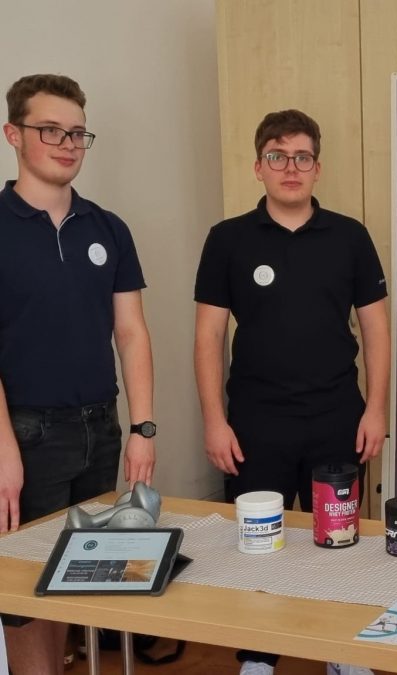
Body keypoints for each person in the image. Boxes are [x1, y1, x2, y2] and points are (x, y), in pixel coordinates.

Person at [194, 109, 389, 675]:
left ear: (317, 168)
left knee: (340, 541)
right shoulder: (227, 240)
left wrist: (375, 409)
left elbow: (376, 327)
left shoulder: (350, 237)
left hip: (337, 417)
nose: (290, 168)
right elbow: (208, 336)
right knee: (258, 545)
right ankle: (257, 656)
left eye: (302, 157)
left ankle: (340, 652)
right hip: (256, 424)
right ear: (259, 167)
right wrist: (214, 420)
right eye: (278, 156)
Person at [0, 74, 156, 675]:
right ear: (14, 134)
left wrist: (142, 428)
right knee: (24, 591)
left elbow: (132, 333)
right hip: (26, 435)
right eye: (50, 130)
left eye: (77, 133)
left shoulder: (107, 227)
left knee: (80, 575)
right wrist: (5, 450)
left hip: (101, 427)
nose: (67, 143)